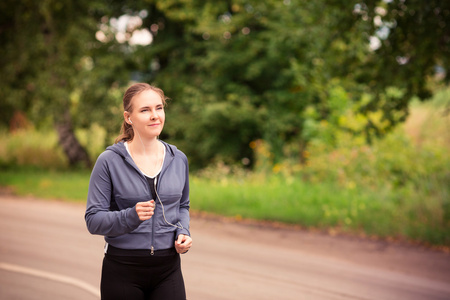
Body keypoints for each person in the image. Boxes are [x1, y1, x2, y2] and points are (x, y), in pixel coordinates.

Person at [85, 82, 192, 300]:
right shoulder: (109, 161)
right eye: (145, 110)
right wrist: (130, 216)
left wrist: (183, 232)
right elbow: (93, 220)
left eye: (159, 108)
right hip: (123, 268)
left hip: (168, 269)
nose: (155, 116)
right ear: (128, 117)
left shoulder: (178, 159)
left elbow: (182, 205)